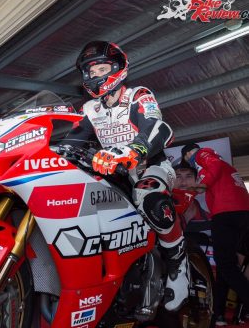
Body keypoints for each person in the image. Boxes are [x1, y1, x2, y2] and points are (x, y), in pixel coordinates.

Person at [62, 41, 188, 311]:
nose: (96, 75)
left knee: (147, 193)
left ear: (118, 68)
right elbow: (71, 143)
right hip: (114, 172)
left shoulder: (137, 95)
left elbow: (158, 127)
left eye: (102, 68)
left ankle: (179, 263)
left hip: (150, 166)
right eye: (90, 71)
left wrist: (135, 149)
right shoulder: (89, 109)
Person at [182, 143, 249, 325]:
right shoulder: (217, 167)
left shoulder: (204, 155)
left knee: (226, 265)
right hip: (240, 214)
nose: (189, 162)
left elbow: (213, 169)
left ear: (189, 154)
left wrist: (202, 184)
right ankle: (218, 313)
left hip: (227, 213)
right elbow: (200, 188)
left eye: (187, 158)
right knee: (225, 265)